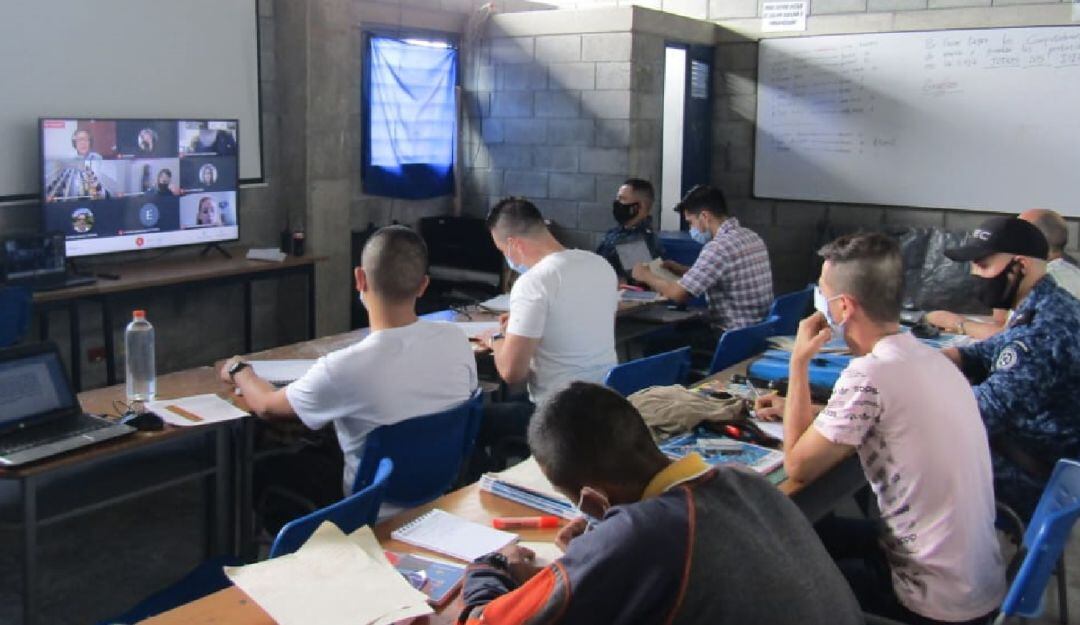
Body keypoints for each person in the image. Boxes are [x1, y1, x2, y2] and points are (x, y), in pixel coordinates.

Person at [460, 381, 864, 625]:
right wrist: (602, 547)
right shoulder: (741, 479)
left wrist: (490, 565)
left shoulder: (644, 537)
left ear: (592, 500)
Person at [754, 233, 1005, 624]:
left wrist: (798, 363)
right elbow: (889, 418)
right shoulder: (931, 359)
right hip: (975, 583)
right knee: (823, 531)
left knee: (778, 573)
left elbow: (798, 466)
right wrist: (799, 406)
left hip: (930, 603)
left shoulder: (870, 374)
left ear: (844, 307)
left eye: (822, 293)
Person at [220, 226, 477, 524]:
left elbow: (266, 406)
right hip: (437, 496)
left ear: (360, 279)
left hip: (369, 507)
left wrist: (240, 370)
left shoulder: (343, 367)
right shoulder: (456, 339)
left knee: (267, 469)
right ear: (423, 285)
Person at [940, 216, 1080, 519]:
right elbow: (985, 353)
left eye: (983, 265)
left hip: (1030, 477)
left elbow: (978, 414)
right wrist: (941, 359)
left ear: (1020, 267)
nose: (974, 273)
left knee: (908, 457)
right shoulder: (1043, 305)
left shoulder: (1044, 331)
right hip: (1032, 458)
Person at [477, 197, 618, 457]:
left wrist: (497, 338)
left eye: (501, 250)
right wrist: (523, 324)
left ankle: (485, 491)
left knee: (473, 421)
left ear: (514, 244)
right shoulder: (599, 265)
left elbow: (511, 373)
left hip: (558, 417)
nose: (506, 257)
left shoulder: (534, 282)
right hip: (605, 404)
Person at [631, 184, 773, 331]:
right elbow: (724, 273)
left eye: (690, 222)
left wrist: (646, 276)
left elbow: (678, 294)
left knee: (663, 340)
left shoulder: (718, 248)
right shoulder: (750, 235)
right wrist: (683, 270)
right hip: (757, 330)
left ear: (704, 216)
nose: (691, 228)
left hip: (731, 334)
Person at [926, 208, 1080, 337]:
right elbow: (1001, 321)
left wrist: (957, 323)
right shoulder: (1065, 271)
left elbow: (1009, 336)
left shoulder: (1050, 280)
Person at [595, 178, 664, 280]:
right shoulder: (618, 232)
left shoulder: (635, 241)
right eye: (617, 198)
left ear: (640, 206)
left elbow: (635, 281)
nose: (617, 203)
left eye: (622, 199)